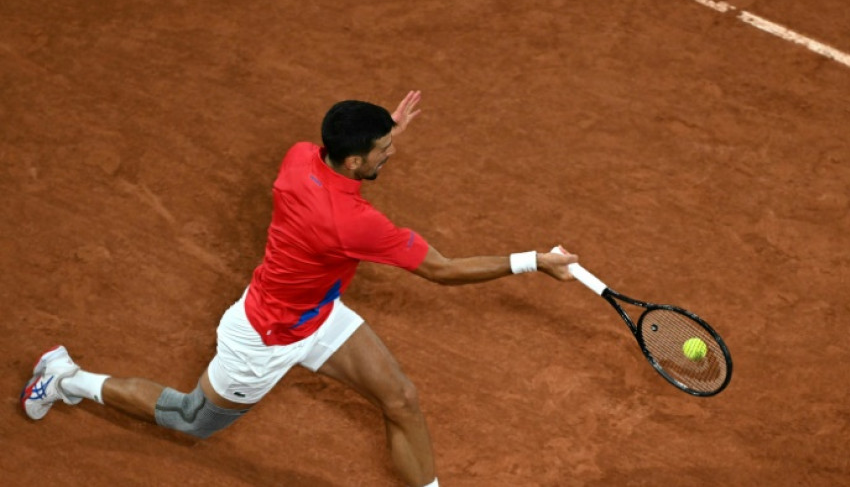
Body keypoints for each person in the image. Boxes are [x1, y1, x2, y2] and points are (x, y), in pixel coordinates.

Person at [20, 91, 578, 487]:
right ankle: (66, 378)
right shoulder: (354, 223)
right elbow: (444, 270)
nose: (393, 153)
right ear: (355, 160)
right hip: (265, 336)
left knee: (401, 398)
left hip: (319, 313)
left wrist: (385, 129)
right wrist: (535, 261)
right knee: (190, 419)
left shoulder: (299, 158)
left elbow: (344, 154)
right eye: (384, 150)